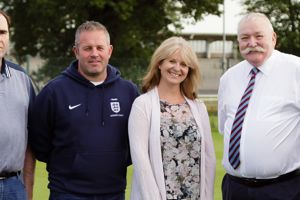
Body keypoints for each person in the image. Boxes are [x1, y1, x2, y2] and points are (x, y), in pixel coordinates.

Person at [29, 21, 139, 200]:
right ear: (76, 51)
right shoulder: (54, 91)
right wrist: (72, 162)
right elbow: (39, 143)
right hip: (66, 193)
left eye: (99, 48)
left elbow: (136, 140)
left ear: (109, 51)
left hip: (114, 193)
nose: (94, 54)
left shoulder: (129, 92)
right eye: (87, 48)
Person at [218, 12, 300, 200]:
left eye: (259, 36)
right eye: (244, 38)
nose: (252, 42)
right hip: (234, 189)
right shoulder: (229, 78)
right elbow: (225, 128)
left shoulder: (296, 70)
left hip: (283, 190)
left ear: (273, 38)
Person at [128, 36, 216, 200]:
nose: (177, 68)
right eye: (172, 61)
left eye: (184, 64)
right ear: (159, 64)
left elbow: (209, 160)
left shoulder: (198, 107)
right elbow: (141, 164)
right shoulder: (142, 105)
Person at [0, 9, 35, 200]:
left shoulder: (22, 79)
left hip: (14, 187)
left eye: (2, 32)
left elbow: (31, 139)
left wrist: (27, 187)